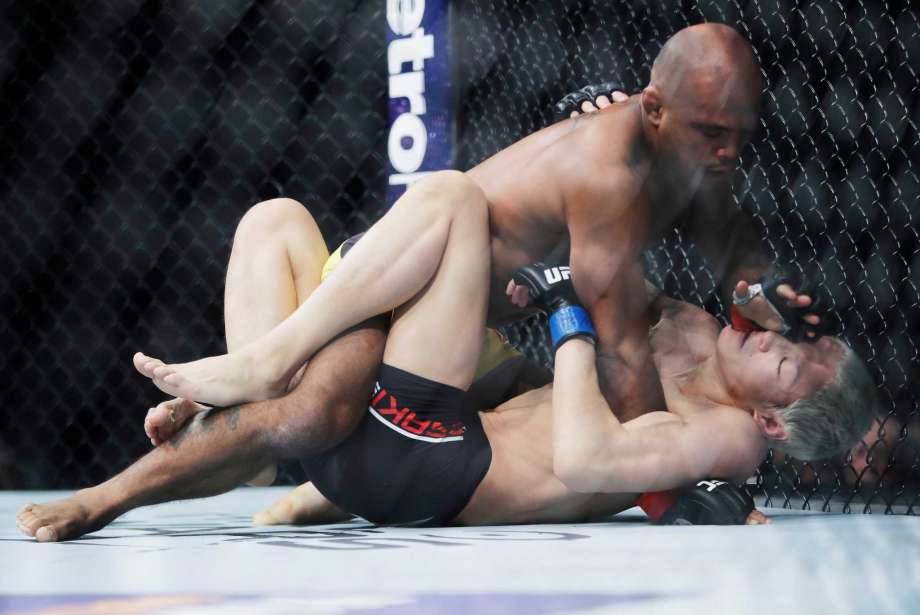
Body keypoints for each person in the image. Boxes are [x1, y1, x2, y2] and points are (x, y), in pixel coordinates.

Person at [16, 185, 876, 541]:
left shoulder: (729, 436)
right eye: (792, 335)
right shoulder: (688, 326)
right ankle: (266, 380)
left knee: (455, 200)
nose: (778, 338)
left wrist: (565, 314)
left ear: (775, 420)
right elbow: (606, 243)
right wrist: (608, 130)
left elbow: (582, 457)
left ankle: (259, 379)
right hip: (412, 435)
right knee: (274, 221)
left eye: (794, 362)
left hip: (431, 463)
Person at [131, 23, 820, 423]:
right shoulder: (608, 175)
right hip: (391, 313)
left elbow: (736, 254)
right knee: (286, 229)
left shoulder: (689, 162)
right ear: (655, 108)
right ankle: (257, 381)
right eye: (711, 132)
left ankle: (241, 400)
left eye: (740, 133)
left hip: (451, 331)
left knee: (534, 404)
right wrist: (667, 478)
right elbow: (620, 353)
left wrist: (769, 299)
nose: (729, 151)